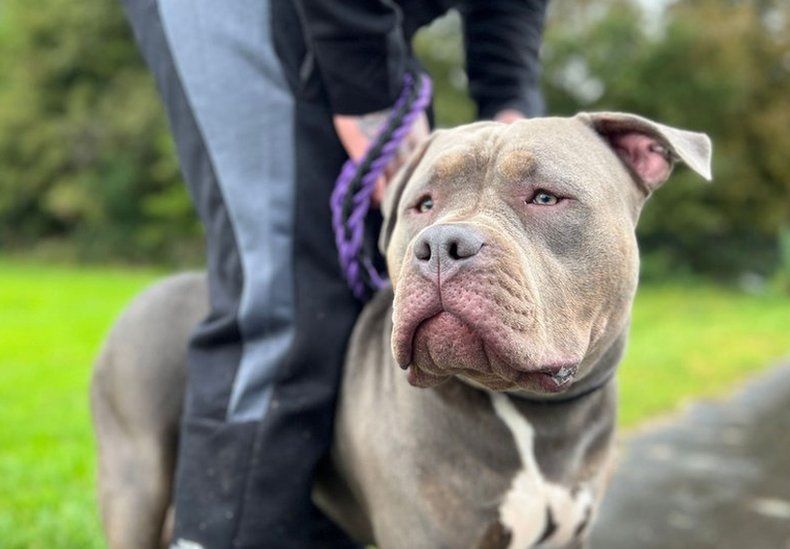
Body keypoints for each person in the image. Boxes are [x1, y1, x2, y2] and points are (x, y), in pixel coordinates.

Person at [117, 1, 548, 546]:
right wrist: (366, 90)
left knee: (369, 294)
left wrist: (510, 100)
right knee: (285, 297)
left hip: (365, 22)